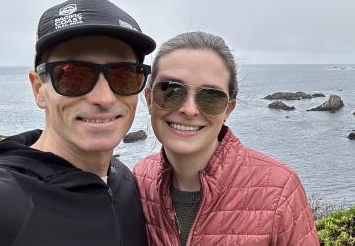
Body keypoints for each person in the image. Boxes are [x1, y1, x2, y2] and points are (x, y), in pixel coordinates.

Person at [0, 0, 155, 246]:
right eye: (74, 75)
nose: (103, 98)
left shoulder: (126, 183)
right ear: (39, 89)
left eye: (124, 75)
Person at [133, 31, 320, 246]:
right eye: (171, 90)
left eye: (210, 96)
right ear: (148, 99)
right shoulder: (139, 180)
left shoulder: (279, 190)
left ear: (228, 110)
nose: (189, 109)